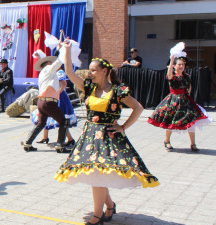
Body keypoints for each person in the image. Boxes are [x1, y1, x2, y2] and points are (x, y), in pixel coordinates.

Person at [55, 42, 159, 225]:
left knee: (98, 174)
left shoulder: (118, 91)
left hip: (108, 138)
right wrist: (68, 50)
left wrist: (123, 127)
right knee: (97, 174)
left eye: (94, 70)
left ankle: (98, 215)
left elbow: (138, 107)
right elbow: (70, 72)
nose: (90, 73)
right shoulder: (88, 87)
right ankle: (109, 206)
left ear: (104, 71)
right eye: (90, 70)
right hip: (89, 137)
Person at [148, 55, 211, 152]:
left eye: (182, 64)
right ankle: (167, 141)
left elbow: (189, 87)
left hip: (185, 101)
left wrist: (188, 95)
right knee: (171, 121)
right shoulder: (172, 76)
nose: (181, 66)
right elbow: (169, 75)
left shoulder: (186, 76)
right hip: (173, 101)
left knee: (191, 121)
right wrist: (172, 59)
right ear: (174, 66)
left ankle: (193, 144)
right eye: (179, 64)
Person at [22, 50, 70, 153]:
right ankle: (60, 145)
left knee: (41, 123)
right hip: (48, 102)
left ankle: (28, 143)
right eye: (50, 63)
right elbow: (58, 62)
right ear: (48, 64)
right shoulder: (48, 69)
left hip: (42, 102)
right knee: (64, 121)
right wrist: (64, 49)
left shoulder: (43, 73)